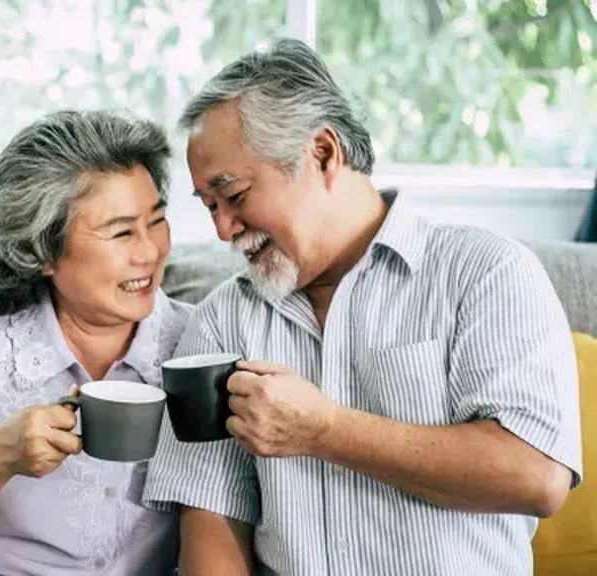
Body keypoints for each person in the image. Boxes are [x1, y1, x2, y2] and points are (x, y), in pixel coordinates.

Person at [142, 38, 581, 575]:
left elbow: (536, 476)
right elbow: (212, 524)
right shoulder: (223, 319)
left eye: (233, 196)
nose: (222, 229)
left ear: (324, 153)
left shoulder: (485, 272)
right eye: (209, 207)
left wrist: (322, 430)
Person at [0, 110, 192, 575]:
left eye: (157, 220)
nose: (149, 251)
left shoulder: (199, 344)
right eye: (121, 231)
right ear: (42, 250)